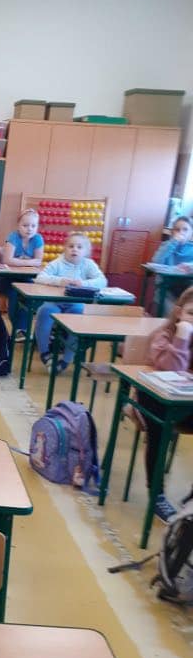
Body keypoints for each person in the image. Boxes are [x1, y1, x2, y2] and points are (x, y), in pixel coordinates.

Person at [138, 287, 193, 522]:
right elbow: (172, 369)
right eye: (191, 313)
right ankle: (156, 493)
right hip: (154, 399)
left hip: (186, 403)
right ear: (179, 312)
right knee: (158, 434)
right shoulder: (164, 336)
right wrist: (182, 338)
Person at [33, 233, 106, 373]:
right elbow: (40, 277)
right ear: (64, 248)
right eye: (71, 246)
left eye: (79, 247)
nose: (74, 249)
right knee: (45, 311)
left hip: (75, 304)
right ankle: (44, 353)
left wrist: (83, 283)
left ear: (86, 251)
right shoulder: (57, 263)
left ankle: (66, 360)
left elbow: (102, 281)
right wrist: (60, 281)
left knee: (78, 317)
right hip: (54, 302)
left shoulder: (88, 264)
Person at [0, 208, 44, 341]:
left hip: (27, 279)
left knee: (30, 295)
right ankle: (19, 329)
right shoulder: (13, 237)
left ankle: (26, 329)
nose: (29, 229)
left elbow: (38, 261)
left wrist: (18, 261)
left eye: (33, 226)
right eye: (25, 225)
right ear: (18, 225)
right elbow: (7, 260)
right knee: (15, 293)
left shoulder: (38, 239)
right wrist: (29, 262)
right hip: (8, 279)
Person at [151, 215, 193, 313]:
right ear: (172, 232)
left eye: (185, 229)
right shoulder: (166, 246)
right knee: (172, 314)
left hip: (188, 290)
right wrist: (174, 242)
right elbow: (156, 261)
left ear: (191, 233)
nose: (181, 232)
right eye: (177, 229)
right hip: (167, 289)